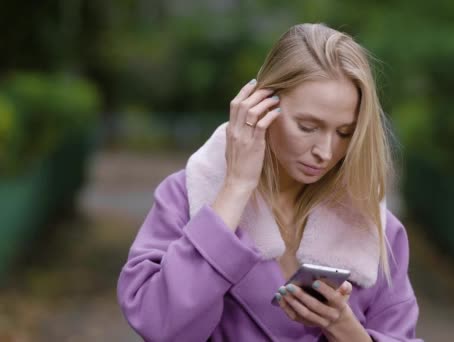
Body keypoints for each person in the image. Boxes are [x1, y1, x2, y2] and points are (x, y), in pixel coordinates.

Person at [117, 23, 423, 342]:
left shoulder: (374, 227)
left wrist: (345, 330)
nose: (326, 151)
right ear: (262, 106)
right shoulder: (185, 196)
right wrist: (235, 188)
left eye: (345, 133)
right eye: (307, 126)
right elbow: (157, 322)